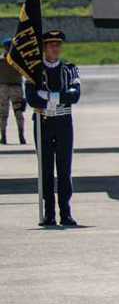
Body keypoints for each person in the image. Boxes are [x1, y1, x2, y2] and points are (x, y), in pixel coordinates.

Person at [24, 30, 79, 227]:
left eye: (58, 45)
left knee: (64, 169)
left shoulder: (69, 69)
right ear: (44, 48)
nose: (55, 48)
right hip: (43, 122)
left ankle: (66, 212)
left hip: (63, 123)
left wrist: (47, 97)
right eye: (51, 45)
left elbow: (74, 96)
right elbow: (31, 99)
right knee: (46, 169)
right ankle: (49, 214)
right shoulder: (34, 72)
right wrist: (58, 97)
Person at [1, 36, 26, 146]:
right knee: (18, 113)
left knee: (3, 114)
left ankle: (3, 136)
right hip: (16, 87)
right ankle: (21, 135)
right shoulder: (19, 60)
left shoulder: (1, 60)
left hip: (3, 88)